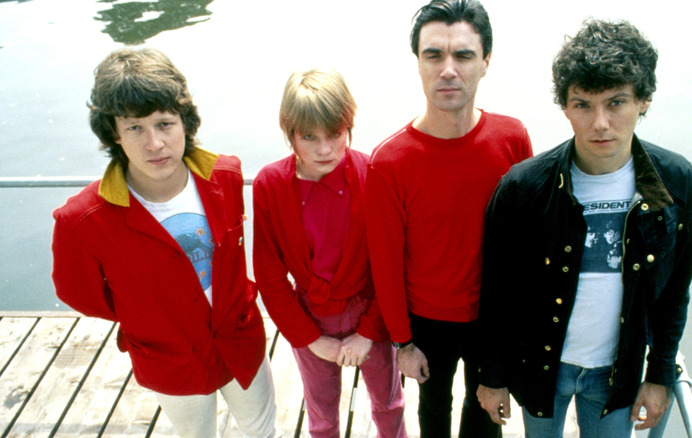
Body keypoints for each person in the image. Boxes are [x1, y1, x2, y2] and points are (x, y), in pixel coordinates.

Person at [477, 19, 692, 438]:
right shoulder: (523, 188)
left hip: (619, 371)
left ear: (644, 101)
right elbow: (496, 292)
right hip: (542, 366)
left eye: (616, 103)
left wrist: (661, 375)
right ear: (564, 105)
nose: (600, 123)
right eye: (583, 104)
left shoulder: (676, 182)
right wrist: (493, 376)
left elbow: (675, 292)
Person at [51, 48, 276, 438]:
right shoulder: (81, 221)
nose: (154, 143)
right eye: (135, 127)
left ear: (185, 124)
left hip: (241, 340)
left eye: (165, 123)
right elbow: (82, 296)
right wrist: (147, 315)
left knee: (261, 428)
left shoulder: (225, 175)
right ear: (113, 134)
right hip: (169, 358)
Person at [365, 1, 533, 436]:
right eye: (433, 55)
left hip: (492, 318)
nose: (448, 70)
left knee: (485, 422)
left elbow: (527, 243)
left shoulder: (511, 139)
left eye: (463, 55)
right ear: (418, 63)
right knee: (433, 414)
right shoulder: (390, 161)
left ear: (486, 62)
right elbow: (385, 262)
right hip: (426, 321)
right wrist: (402, 342)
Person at [253, 69, 406, 438]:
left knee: (389, 404)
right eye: (309, 137)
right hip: (310, 314)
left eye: (335, 134)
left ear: (348, 127)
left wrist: (369, 332)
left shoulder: (374, 173)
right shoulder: (270, 185)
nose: (324, 149)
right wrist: (308, 338)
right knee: (321, 415)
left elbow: (391, 265)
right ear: (290, 133)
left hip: (370, 309)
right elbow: (270, 277)